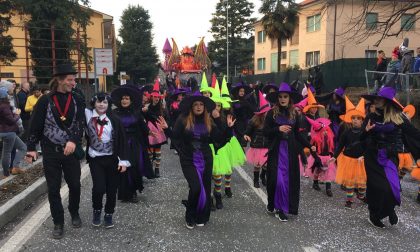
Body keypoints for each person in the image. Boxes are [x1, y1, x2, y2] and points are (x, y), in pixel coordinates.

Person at [25, 63, 85, 239]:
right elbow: (35, 125)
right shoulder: (45, 100)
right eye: (70, 80)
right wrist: (31, 148)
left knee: (75, 185)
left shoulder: (77, 99)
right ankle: (58, 222)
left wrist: (74, 140)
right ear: (59, 80)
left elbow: (80, 123)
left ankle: (74, 212)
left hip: (70, 151)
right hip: (51, 151)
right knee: (53, 189)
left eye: (74, 80)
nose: (73, 83)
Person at [159, 91, 235, 229]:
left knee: (205, 188)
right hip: (188, 159)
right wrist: (166, 130)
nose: (199, 107)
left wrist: (228, 128)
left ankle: (202, 216)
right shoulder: (183, 119)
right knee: (195, 187)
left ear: (205, 107)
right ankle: (190, 215)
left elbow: (219, 138)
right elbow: (175, 136)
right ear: (191, 107)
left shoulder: (209, 121)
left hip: (206, 158)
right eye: (196, 105)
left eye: (201, 104)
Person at [361, 86, 420, 228]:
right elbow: (360, 137)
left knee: (392, 187)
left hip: (389, 157)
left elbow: (414, 134)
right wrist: (366, 131)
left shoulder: (398, 118)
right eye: (375, 98)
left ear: (386, 101)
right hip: (372, 156)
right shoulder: (371, 117)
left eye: (379, 98)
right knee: (377, 187)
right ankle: (374, 215)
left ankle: (389, 209)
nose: (376, 100)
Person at [264, 83, 313, 222]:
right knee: (275, 181)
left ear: (289, 98)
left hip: (290, 152)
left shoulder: (295, 114)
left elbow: (297, 134)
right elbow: (266, 132)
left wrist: (310, 146)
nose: (282, 99)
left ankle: (281, 209)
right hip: (276, 151)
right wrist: (277, 130)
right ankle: (273, 203)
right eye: (280, 97)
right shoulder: (271, 113)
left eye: (285, 96)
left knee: (286, 182)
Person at [85, 93, 129, 228]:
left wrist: (123, 161)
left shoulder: (114, 120)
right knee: (99, 188)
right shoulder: (87, 115)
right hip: (95, 158)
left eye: (104, 102)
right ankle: (97, 210)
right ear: (94, 103)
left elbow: (122, 141)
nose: (101, 105)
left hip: (112, 158)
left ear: (108, 104)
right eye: (98, 102)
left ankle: (109, 214)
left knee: (111, 189)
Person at [111, 85, 154, 202]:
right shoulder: (114, 113)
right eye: (123, 99)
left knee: (135, 167)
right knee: (123, 168)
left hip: (134, 143)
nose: (124, 101)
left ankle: (133, 191)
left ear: (130, 100)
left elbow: (142, 126)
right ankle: (125, 194)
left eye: (127, 99)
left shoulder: (136, 112)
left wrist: (151, 132)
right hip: (120, 144)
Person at [330, 97, 367, 208]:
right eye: (353, 118)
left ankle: (361, 196)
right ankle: (349, 200)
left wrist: (364, 155)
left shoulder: (365, 133)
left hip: (361, 161)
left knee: (362, 182)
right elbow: (340, 145)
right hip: (348, 160)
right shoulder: (346, 132)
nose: (355, 120)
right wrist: (335, 156)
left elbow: (368, 146)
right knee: (349, 182)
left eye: (358, 118)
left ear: (362, 120)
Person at [244, 91, 271, 188]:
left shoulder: (271, 120)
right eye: (266, 112)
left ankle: (263, 176)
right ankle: (256, 180)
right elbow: (247, 132)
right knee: (257, 165)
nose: (267, 113)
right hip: (257, 146)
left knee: (266, 165)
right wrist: (246, 136)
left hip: (267, 146)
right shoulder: (254, 120)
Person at [0, 87, 27, 178]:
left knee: (22, 147)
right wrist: (17, 114)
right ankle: (7, 173)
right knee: (7, 152)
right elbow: (11, 121)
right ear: (5, 96)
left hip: (3, 131)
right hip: (9, 132)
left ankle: (15, 167)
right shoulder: (4, 106)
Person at [144, 80, 167, 178]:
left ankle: (157, 169)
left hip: (158, 129)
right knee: (149, 151)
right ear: (151, 97)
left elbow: (164, 118)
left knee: (158, 150)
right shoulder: (146, 107)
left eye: (158, 97)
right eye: (154, 96)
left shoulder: (162, 108)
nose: (156, 98)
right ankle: (149, 169)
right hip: (149, 130)